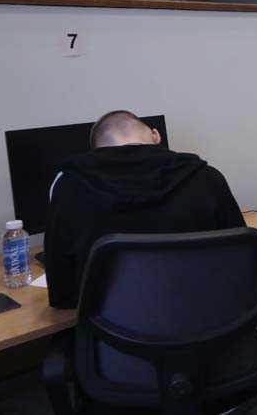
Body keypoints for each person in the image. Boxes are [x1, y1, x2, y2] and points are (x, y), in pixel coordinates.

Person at [44, 110, 245, 308]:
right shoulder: (207, 177)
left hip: (114, 327)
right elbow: (243, 260)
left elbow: (62, 295)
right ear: (156, 136)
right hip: (209, 318)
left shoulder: (68, 188)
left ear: (97, 152)